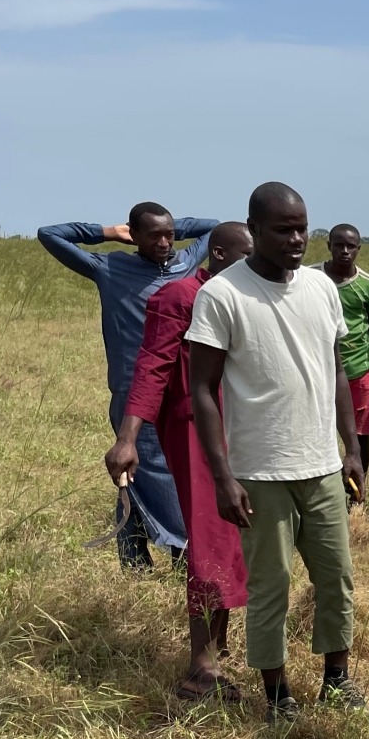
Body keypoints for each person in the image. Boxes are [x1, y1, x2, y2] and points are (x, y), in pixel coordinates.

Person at [186, 183, 366, 725]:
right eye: (283, 230)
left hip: (322, 466)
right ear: (254, 228)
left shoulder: (320, 288)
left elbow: (337, 371)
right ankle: (277, 691)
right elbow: (202, 390)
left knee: (336, 577)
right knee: (271, 585)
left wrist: (351, 447)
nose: (296, 240)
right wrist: (222, 477)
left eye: (301, 228)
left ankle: (337, 679)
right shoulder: (222, 295)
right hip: (260, 470)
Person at [106, 222, 254, 701]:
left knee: (234, 539)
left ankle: (218, 644)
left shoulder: (240, 296)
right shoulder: (179, 297)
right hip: (193, 431)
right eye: (244, 254)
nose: (253, 264)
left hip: (240, 430)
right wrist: (128, 437)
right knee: (212, 540)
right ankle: (200, 671)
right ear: (219, 253)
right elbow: (151, 367)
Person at [37, 203, 218, 569]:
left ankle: (133, 558)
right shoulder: (109, 268)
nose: (165, 242)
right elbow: (50, 234)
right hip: (132, 386)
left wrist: (172, 227)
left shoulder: (186, 263)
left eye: (169, 234)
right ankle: (185, 552)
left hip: (181, 384)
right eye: (154, 236)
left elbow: (214, 228)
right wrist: (106, 232)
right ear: (133, 236)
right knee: (149, 469)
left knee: (156, 471)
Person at [319, 223, 369, 485]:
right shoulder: (311, 277)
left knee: (358, 435)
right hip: (319, 367)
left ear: (358, 249)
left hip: (360, 368)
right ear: (329, 246)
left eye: (350, 246)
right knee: (319, 430)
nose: (344, 251)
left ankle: (356, 492)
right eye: (339, 245)